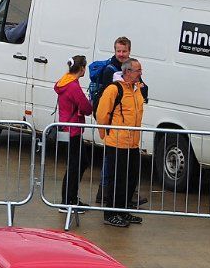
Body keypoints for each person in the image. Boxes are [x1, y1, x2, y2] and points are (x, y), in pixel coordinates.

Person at [95, 57, 147, 228]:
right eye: (138, 70)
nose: (141, 73)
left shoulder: (136, 89)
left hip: (132, 142)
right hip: (116, 142)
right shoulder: (113, 89)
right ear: (127, 72)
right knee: (116, 178)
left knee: (130, 178)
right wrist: (105, 134)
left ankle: (123, 210)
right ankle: (110, 213)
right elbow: (102, 114)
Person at [54, 55, 94, 208]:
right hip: (73, 130)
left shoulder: (65, 80)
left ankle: (70, 198)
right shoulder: (73, 86)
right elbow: (86, 109)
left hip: (68, 128)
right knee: (75, 165)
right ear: (82, 68)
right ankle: (68, 201)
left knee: (79, 163)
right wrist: (91, 101)